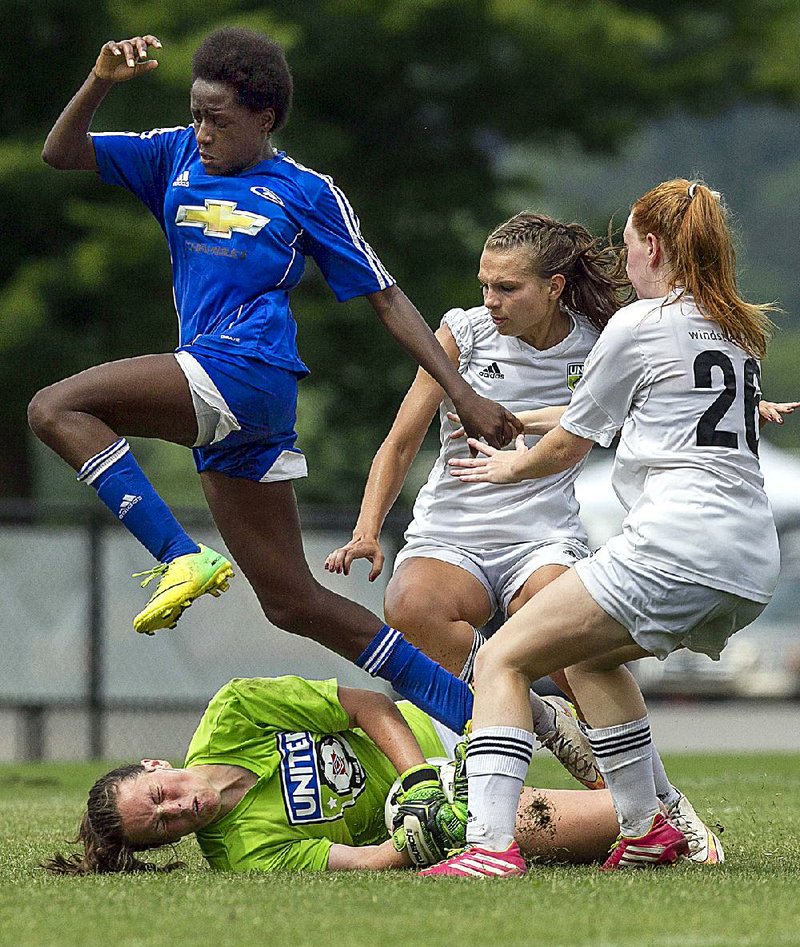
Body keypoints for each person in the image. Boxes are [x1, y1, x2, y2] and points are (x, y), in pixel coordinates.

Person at [29, 28, 519, 657]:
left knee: (55, 408)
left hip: (245, 368)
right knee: (293, 604)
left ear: (264, 119)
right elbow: (61, 153)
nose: (203, 132)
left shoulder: (307, 192)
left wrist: (463, 394)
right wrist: (99, 81)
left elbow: (386, 297)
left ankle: (179, 554)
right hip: (233, 398)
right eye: (196, 116)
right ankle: (479, 701)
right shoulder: (172, 156)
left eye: (219, 120)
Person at [323, 210, 725, 859]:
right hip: (452, 530)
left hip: (544, 535)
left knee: (582, 656)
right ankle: (539, 726)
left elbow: (637, 410)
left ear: (555, 287)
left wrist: (735, 403)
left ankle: (663, 808)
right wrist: (368, 529)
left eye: (506, 288)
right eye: (484, 284)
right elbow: (400, 442)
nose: (491, 300)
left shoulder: (599, 341)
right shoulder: (463, 333)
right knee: (410, 603)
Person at [424, 178, 789, 876]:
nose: (623, 267)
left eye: (627, 250)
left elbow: (571, 442)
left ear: (653, 246)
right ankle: (648, 827)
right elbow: (607, 409)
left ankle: (489, 847)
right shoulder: (736, 328)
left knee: (503, 658)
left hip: (678, 544)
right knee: (591, 659)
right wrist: (513, 419)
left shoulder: (639, 324)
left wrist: (507, 468)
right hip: (749, 561)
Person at [44, 675, 620, 875]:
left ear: (154, 766)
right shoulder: (241, 854)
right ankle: (657, 820)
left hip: (435, 734)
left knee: (505, 644)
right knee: (620, 827)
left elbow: (369, 706)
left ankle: (539, 716)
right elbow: (368, 861)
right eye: (163, 828)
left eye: (159, 796)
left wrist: (418, 781)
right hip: (446, 813)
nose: (176, 811)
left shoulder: (235, 710)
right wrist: (427, 832)